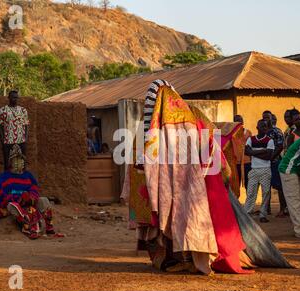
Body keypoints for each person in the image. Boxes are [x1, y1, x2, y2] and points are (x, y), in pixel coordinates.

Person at [122, 80, 291, 275]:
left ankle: (192, 260)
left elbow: (208, 141)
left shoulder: (168, 118)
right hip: (190, 180)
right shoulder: (180, 116)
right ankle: (182, 259)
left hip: (198, 182)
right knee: (182, 218)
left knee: (190, 219)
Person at [0, 145, 63, 240]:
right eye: (17, 160)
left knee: (44, 200)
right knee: (13, 206)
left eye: (21, 160)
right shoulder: (4, 177)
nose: (20, 162)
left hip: (29, 204)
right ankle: (27, 228)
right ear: (11, 162)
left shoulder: (28, 176)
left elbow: (34, 190)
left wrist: (30, 198)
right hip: (14, 205)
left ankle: (49, 227)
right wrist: (17, 199)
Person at [244, 119, 275, 223]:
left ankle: (263, 214)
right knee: (251, 193)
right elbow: (246, 152)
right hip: (254, 170)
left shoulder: (269, 140)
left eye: (266, 126)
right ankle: (247, 213)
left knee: (266, 193)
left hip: (265, 170)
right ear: (257, 127)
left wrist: (253, 152)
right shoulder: (251, 139)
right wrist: (263, 150)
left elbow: (269, 156)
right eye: (262, 126)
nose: (264, 128)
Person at [262, 111, 287, 217]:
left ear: (272, 119)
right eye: (264, 118)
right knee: (265, 186)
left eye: (267, 117)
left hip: (275, 162)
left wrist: (271, 157)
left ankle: (282, 209)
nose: (266, 120)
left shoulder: (277, 131)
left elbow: (280, 146)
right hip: (264, 163)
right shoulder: (262, 131)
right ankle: (266, 209)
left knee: (279, 186)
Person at [0, 90, 29, 170]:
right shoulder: (2, 110)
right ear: (9, 98)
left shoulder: (23, 110)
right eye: (13, 97)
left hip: (21, 140)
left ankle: (22, 180)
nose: (15, 99)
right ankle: (7, 181)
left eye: (17, 98)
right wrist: (3, 140)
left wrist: (25, 138)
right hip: (8, 140)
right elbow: (0, 126)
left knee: (22, 163)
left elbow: (26, 125)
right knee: (7, 164)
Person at [233, 115, 252, 193]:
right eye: (236, 120)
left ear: (243, 122)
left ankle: (249, 204)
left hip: (247, 162)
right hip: (235, 162)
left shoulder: (248, 133)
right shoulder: (231, 134)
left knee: (248, 183)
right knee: (236, 185)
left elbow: (251, 147)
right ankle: (236, 204)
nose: (238, 122)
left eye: (240, 120)